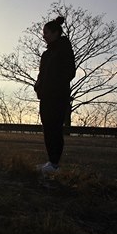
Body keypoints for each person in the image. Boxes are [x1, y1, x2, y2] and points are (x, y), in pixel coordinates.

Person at [34, 16, 76, 176]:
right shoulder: (46, 54)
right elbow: (41, 74)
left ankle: (55, 163)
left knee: (55, 128)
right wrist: (38, 87)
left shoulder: (64, 48)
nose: (43, 35)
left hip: (58, 96)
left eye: (46, 32)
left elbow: (69, 72)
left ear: (55, 32)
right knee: (48, 128)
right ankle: (51, 162)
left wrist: (54, 87)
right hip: (45, 96)